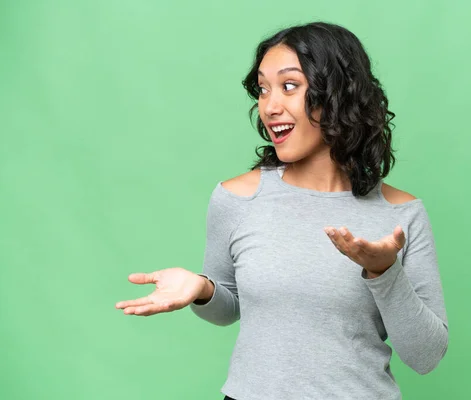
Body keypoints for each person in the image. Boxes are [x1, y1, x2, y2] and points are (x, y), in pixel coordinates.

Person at [115, 21, 448, 400]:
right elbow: (227, 309)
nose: (270, 107)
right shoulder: (236, 198)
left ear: (337, 94)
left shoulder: (402, 214)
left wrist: (384, 271)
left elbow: (426, 355)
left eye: (289, 86)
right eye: (263, 89)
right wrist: (203, 290)